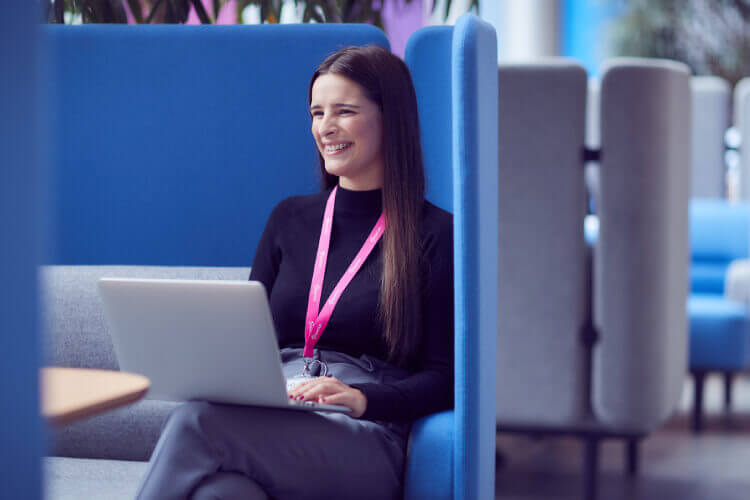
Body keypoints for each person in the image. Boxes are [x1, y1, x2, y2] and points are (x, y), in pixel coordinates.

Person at [136, 45, 454, 500]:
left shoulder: (436, 233)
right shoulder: (289, 219)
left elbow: (446, 376)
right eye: (317, 112)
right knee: (222, 495)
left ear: (391, 119)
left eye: (344, 111)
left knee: (196, 419)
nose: (326, 128)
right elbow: (240, 339)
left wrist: (364, 398)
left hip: (365, 433)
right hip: (279, 409)